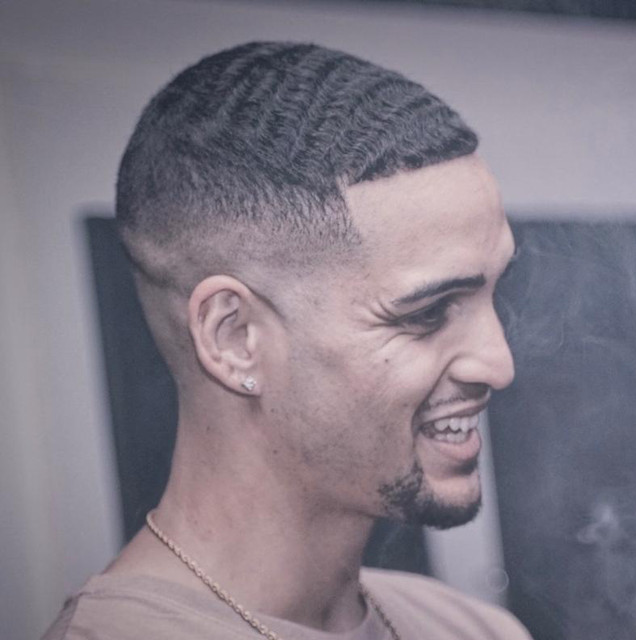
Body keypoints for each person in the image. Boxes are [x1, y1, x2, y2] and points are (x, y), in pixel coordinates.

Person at [44, 41, 532, 640]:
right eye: (428, 313)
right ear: (235, 338)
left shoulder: (477, 629)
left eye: (493, 294)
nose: (499, 365)